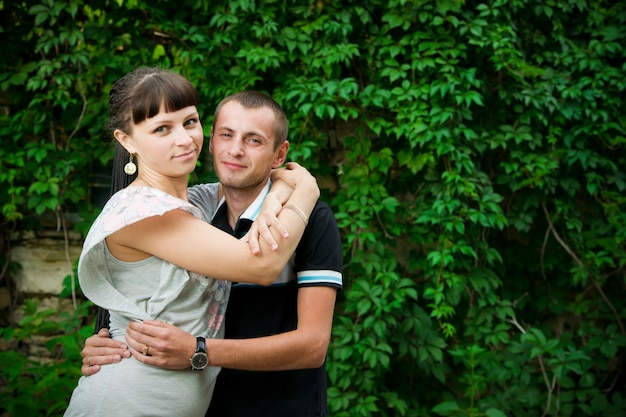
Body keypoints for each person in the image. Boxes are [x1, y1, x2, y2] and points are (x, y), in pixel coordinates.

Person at [64, 69, 319, 417]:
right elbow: (261, 264)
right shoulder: (139, 211)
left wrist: (279, 197)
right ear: (127, 141)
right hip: (125, 403)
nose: (184, 139)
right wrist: (308, 191)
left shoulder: (196, 203)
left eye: (190, 121)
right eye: (162, 129)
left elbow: (264, 181)